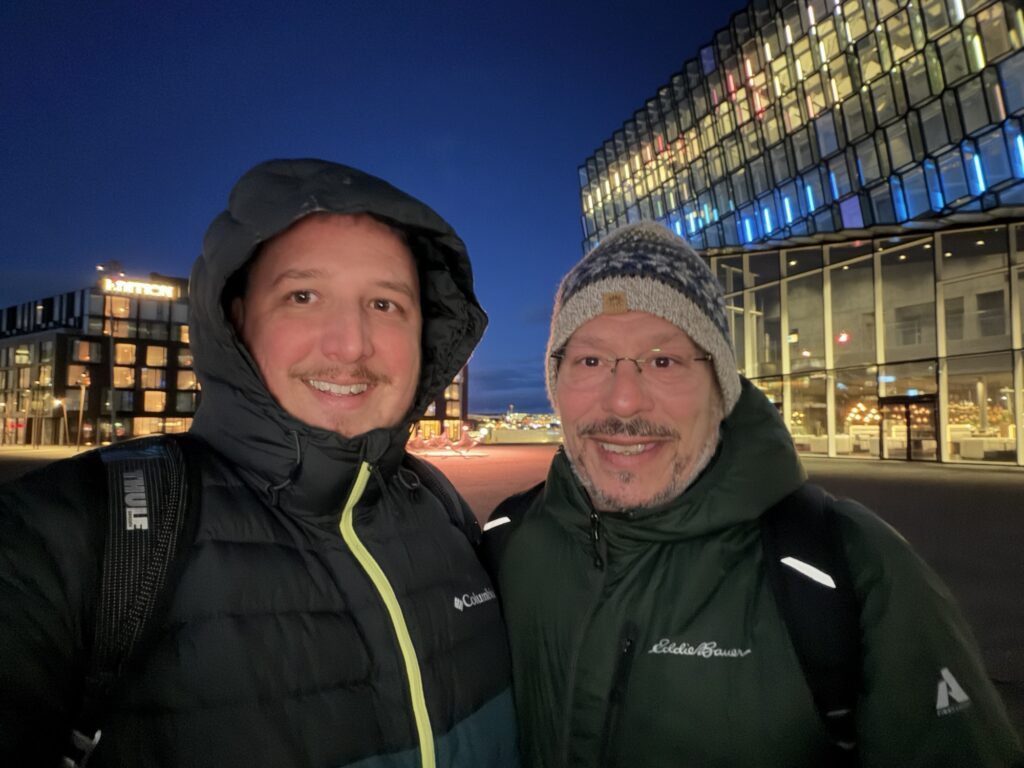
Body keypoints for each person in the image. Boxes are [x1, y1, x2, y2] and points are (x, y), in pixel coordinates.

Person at [0, 159, 518, 767]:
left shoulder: (444, 513)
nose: (350, 344)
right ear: (236, 320)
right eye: (303, 295)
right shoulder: (77, 533)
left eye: (384, 304)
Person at [483, 221, 1023, 767]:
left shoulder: (853, 570)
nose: (624, 402)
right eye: (591, 361)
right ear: (557, 386)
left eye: (663, 361)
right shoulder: (506, 546)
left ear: (721, 388)